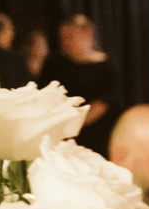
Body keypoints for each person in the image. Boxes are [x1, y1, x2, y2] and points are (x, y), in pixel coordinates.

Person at [52, 12, 122, 155]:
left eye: (69, 37)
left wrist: (72, 127)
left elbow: (102, 104)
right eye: (62, 38)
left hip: (93, 135)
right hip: (61, 134)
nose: (65, 42)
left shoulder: (106, 67)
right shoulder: (54, 65)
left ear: (87, 34)